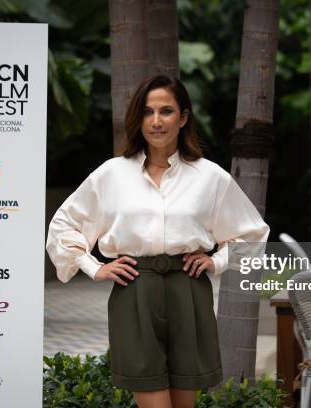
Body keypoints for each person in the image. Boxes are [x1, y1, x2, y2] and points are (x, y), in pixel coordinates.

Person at [46, 75, 269, 408]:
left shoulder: (210, 177)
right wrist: (94, 267)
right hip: (134, 288)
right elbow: (64, 224)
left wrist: (216, 260)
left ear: (183, 117)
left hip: (188, 289)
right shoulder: (112, 174)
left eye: (166, 111)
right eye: (147, 112)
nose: (156, 121)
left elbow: (252, 232)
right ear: (138, 119)